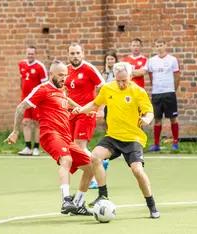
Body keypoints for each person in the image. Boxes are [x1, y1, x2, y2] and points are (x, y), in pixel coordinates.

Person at [5, 60, 93, 216]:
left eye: (65, 75)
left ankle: (78, 204)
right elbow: (21, 107)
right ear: (51, 74)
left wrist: (81, 109)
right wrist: (15, 131)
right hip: (50, 134)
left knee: (91, 167)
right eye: (60, 75)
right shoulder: (42, 89)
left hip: (66, 137)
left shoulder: (62, 89)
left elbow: (67, 101)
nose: (63, 78)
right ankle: (66, 200)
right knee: (67, 160)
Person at [77, 62, 160, 219]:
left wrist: (147, 119)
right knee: (95, 156)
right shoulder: (108, 88)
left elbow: (149, 112)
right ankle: (103, 195)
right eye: (118, 80)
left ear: (130, 76)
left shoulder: (138, 91)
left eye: (124, 80)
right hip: (113, 137)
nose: (121, 84)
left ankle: (152, 205)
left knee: (137, 170)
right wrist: (81, 109)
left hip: (133, 139)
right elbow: (96, 104)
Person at [64, 43, 106, 189]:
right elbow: (64, 91)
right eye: (72, 53)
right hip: (72, 113)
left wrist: (98, 107)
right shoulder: (66, 70)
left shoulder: (89, 69)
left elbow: (104, 87)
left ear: (83, 53)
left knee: (80, 146)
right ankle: (98, 163)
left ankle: (94, 174)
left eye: (77, 53)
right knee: (72, 147)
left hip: (86, 112)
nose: (75, 56)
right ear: (68, 55)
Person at [145, 37, 181, 151]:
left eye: (161, 45)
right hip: (157, 93)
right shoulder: (151, 61)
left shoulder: (172, 60)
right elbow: (150, 76)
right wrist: (155, 86)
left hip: (169, 92)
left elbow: (177, 76)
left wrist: (173, 89)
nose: (159, 48)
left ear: (165, 45)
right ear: (155, 47)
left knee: (173, 118)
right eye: (157, 46)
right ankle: (156, 145)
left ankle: (175, 143)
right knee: (157, 119)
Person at [18, 45, 48, 156]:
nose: (30, 55)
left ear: (35, 54)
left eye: (32, 53)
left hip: (36, 100)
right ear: (26, 53)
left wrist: (41, 99)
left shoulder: (40, 67)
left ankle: (36, 147)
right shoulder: (21, 64)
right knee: (26, 122)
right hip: (25, 99)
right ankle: (27, 147)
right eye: (28, 53)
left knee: (37, 123)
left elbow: (44, 84)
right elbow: (21, 80)